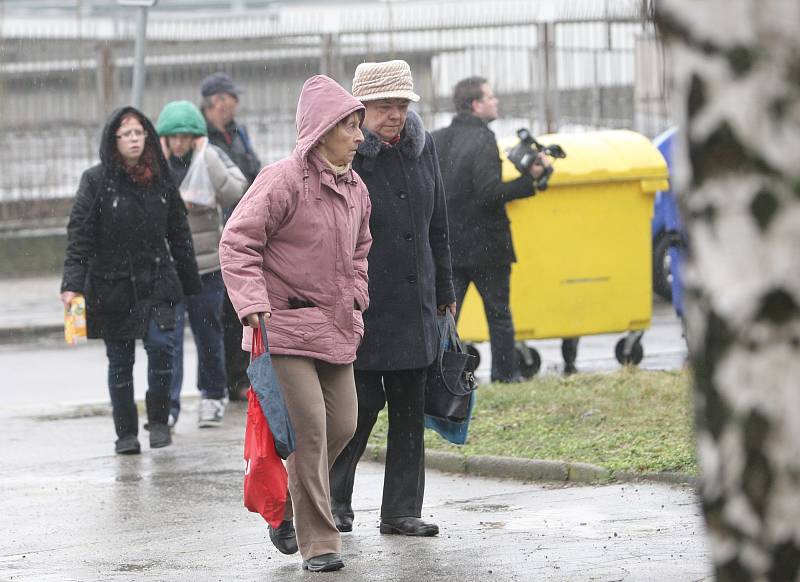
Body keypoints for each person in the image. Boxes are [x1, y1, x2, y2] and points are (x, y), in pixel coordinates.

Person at [219, 75, 371, 573]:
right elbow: (238, 242)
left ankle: (286, 504)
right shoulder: (281, 179)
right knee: (309, 432)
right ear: (323, 129)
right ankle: (321, 544)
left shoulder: (356, 189)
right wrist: (251, 303)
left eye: (358, 126)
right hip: (281, 326)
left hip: (335, 325)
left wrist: (357, 295)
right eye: (349, 126)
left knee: (344, 424)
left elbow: (361, 249)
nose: (358, 135)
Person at [329, 60, 456, 538]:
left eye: (401, 105)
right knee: (355, 411)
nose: (395, 114)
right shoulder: (344, 156)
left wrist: (445, 291)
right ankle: (336, 500)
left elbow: (437, 225)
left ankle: (401, 511)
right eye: (385, 106)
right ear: (359, 109)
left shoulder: (423, 151)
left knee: (409, 412)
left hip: (417, 303)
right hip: (362, 305)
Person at [60, 106, 202, 455]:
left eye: (139, 132)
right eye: (126, 134)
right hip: (112, 284)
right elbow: (80, 235)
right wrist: (72, 284)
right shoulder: (96, 181)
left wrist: (190, 283)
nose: (134, 140)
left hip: (157, 278)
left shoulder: (160, 175)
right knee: (120, 361)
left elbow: (179, 231)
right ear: (114, 141)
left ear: (148, 136)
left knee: (162, 349)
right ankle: (125, 433)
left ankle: (158, 421)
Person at [433, 76, 550, 382]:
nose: (496, 101)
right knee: (499, 316)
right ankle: (504, 376)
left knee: (445, 318)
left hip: (449, 247)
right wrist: (530, 181)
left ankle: (439, 378)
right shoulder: (483, 139)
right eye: (491, 97)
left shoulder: (438, 138)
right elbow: (488, 193)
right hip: (487, 247)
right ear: (476, 105)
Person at [155, 100, 248, 428]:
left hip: (207, 266)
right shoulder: (155, 162)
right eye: (172, 136)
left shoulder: (209, 157)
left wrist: (207, 156)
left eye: (185, 136)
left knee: (209, 334)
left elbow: (237, 190)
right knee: (169, 339)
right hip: (168, 268)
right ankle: (167, 405)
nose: (178, 143)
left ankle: (213, 395)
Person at [199, 72, 263, 402]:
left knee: (241, 308)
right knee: (219, 312)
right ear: (217, 101)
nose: (235, 104)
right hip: (215, 231)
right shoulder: (200, 138)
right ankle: (224, 380)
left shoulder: (239, 133)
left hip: (245, 225)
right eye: (231, 98)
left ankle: (240, 377)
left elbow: (253, 170)